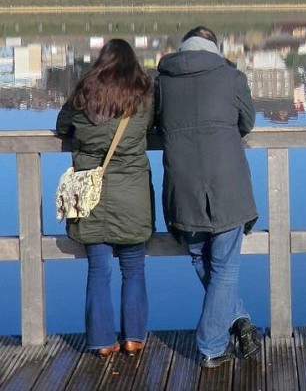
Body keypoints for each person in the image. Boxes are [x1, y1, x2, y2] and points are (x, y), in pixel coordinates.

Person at [155, 26, 260, 368]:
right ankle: (212, 345)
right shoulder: (231, 77)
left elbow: (152, 127)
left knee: (201, 257)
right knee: (225, 266)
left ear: (182, 48)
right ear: (215, 47)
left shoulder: (162, 82)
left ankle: (238, 319)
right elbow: (248, 121)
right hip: (227, 180)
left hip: (183, 184)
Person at [56, 39, 154, 358]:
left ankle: (101, 341)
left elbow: (62, 126)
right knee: (134, 268)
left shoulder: (84, 91)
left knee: (98, 270)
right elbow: (151, 125)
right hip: (133, 194)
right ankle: (134, 337)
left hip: (88, 195)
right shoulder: (144, 92)